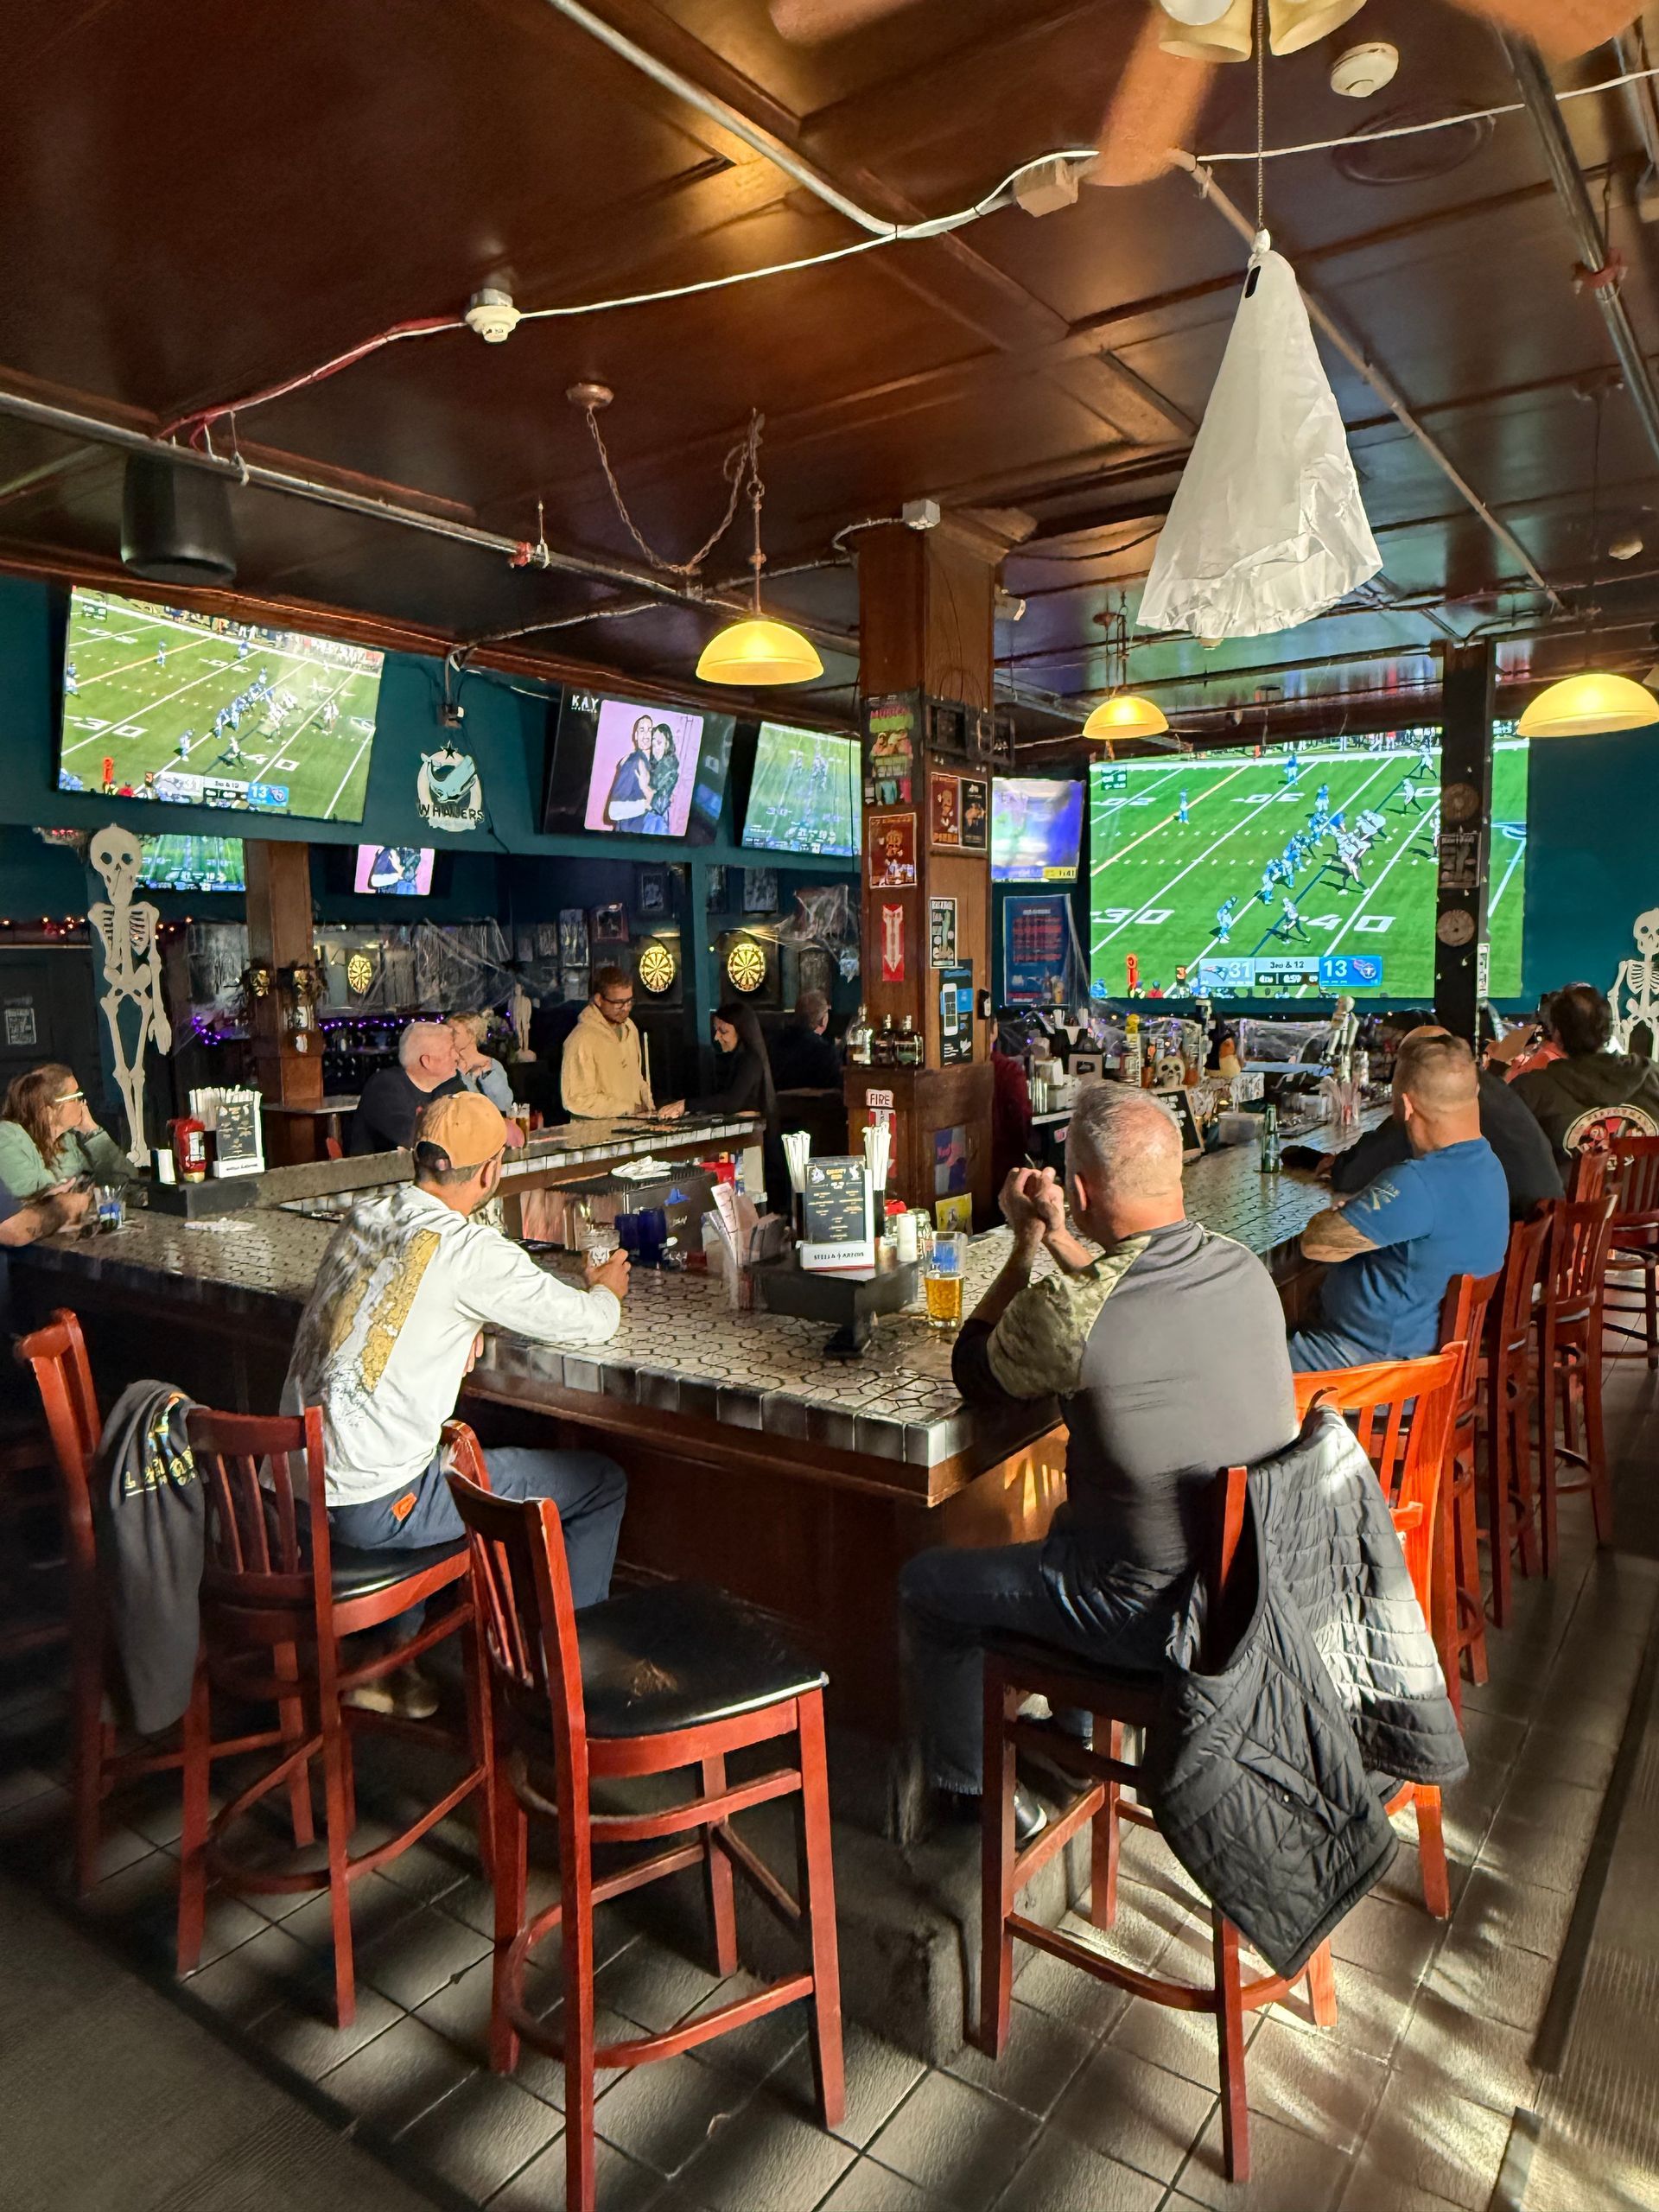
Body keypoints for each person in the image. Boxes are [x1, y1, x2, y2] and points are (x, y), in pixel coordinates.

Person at [899, 1085, 1299, 1832]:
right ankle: (1077, 1733)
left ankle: (974, 1792)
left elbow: (973, 1368)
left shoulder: (1069, 1315)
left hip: (1144, 1616)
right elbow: (1120, 1287)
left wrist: (1023, 1244)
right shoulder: (1243, 1267)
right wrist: (1060, 1238)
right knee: (1072, 1513)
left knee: (927, 1586)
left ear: (1079, 1189)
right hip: (1245, 1597)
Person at [284, 1095, 631, 1716]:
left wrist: (463, 1322)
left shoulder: (363, 1217)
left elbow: (392, 1303)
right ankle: (571, 1699)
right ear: (491, 1174)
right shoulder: (469, 1251)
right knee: (600, 1483)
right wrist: (604, 1290)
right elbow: (588, 1324)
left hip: (288, 1503)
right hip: (371, 1509)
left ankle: (387, 1661)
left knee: (425, 1456)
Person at [1290, 1031, 1509, 1371]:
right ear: (1475, 1093)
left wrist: (1352, 1210)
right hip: (1427, 1362)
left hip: (1374, 1368)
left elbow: (1316, 1243)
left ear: (1405, 1106)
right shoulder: (1489, 1165)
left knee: (1230, 1369)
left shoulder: (1418, 1183)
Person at [1322, 1023, 1562, 1218]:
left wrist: (1326, 1162)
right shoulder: (1487, 1086)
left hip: (1516, 1250)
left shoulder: (1429, 1098)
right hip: (1542, 1235)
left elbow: (1352, 1175)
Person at [1510, 982, 1659, 1160]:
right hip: (1642, 1187)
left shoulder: (1531, 1090)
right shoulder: (1653, 1074)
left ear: (1557, 1035)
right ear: (1609, 1029)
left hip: (1564, 1188)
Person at [0, 1065, 133, 1200]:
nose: (82, 1104)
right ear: (50, 1110)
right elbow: (39, 1196)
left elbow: (124, 1182)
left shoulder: (67, 1140)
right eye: (75, 1096)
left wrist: (93, 1132)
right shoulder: (7, 1137)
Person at [349, 1021, 465, 1155]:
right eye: (451, 1051)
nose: (457, 1056)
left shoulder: (452, 1085)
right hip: (384, 1174)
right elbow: (415, 1139)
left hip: (435, 1173)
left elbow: (479, 1123)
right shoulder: (384, 1087)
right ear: (427, 1061)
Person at [561, 967, 658, 1119]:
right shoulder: (581, 1039)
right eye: (619, 1003)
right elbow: (577, 1100)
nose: (626, 1008)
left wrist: (647, 1102)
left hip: (634, 1129)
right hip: (596, 1136)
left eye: (629, 1001)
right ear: (598, 1000)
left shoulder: (630, 1028)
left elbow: (636, 1077)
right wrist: (629, 1108)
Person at [681, 1001, 775, 1121]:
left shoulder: (751, 1060)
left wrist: (686, 1105)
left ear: (741, 1032)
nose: (716, 1037)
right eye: (716, 1030)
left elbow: (731, 1103)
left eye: (723, 1032)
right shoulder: (732, 1058)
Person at [768, 991, 841, 1091]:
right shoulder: (826, 1052)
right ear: (823, 1019)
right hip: (815, 1105)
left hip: (778, 1105)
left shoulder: (774, 1042)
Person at [449, 1012, 516, 1113]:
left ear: (472, 1035)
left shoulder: (492, 1065)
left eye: (454, 1032)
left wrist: (487, 1074)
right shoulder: (447, 1065)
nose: (448, 1036)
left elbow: (504, 1104)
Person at [601, 715, 655, 830]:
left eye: (650, 730)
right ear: (636, 736)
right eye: (642, 730)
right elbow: (613, 811)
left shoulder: (650, 764)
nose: (646, 734)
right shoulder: (633, 763)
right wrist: (645, 804)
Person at [643, 722, 679, 835]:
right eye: (653, 744)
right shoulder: (654, 764)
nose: (656, 748)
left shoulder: (669, 765)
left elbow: (659, 804)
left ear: (667, 744)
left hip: (655, 822)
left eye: (659, 743)